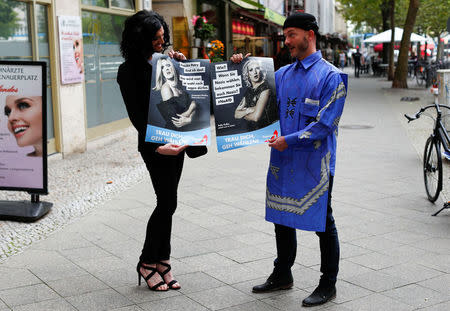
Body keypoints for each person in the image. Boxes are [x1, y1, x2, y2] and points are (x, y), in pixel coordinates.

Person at [231, 12, 347, 307]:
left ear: (310, 34)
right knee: (282, 218)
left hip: (315, 164)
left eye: (291, 35)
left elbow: (324, 125)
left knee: (323, 221)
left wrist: (288, 140)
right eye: (285, 36)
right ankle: (282, 274)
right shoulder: (281, 75)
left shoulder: (331, 76)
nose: (287, 42)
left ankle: (328, 283)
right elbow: (254, 102)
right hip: (282, 160)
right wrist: (238, 69)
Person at [117, 10, 188, 292]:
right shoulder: (129, 70)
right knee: (166, 202)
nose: (162, 41)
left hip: (178, 140)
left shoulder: (166, 61)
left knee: (170, 203)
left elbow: (182, 96)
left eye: (163, 36)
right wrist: (159, 146)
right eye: (156, 38)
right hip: (155, 145)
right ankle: (147, 262)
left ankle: (163, 261)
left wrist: (181, 68)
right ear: (141, 40)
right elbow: (136, 116)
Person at [152, 57, 197, 131]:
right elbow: (176, 120)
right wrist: (191, 109)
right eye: (162, 67)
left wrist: (190, 117)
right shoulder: (166, 88)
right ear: (161, 72)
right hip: (176, 132)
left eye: (168, 65)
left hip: (188, 128)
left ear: (173, 67)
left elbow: (196, 104)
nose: (166, 69)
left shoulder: (179, 85)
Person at [234, 58, 277, 130]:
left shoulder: (266, 89)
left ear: (260, 70)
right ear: (247, 74)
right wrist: (249, 110)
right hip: (252, 133)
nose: (255, 72)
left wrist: (243, 113)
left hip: (266, 131)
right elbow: (236, 114)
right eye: (251, 70)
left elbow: (255, 117)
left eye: (257, 68)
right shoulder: (249, 90)